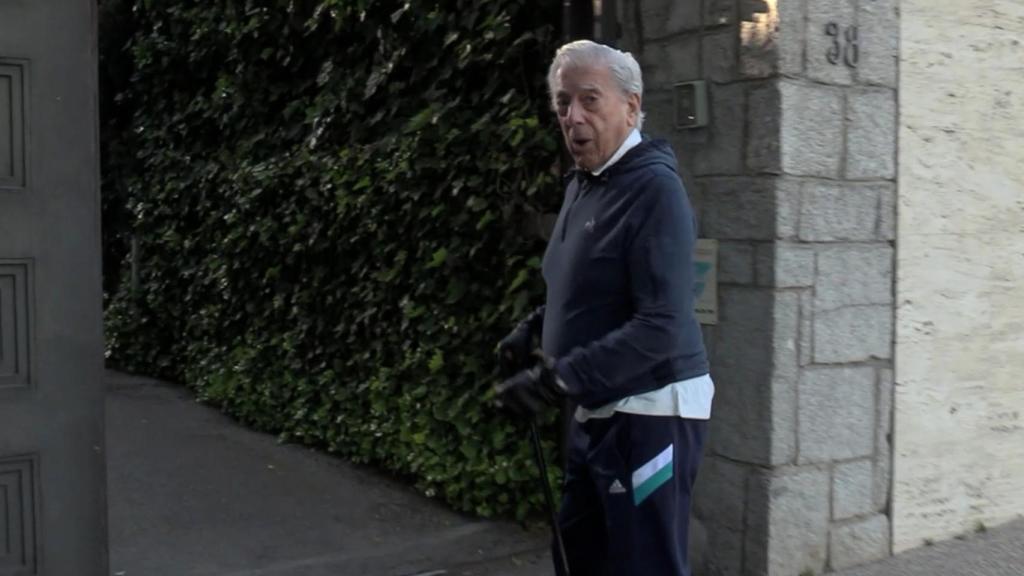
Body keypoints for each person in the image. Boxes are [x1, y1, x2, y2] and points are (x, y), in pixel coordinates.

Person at [495, 39, 714, 576]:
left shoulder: (655, 190)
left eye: (590, 100)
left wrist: (557, 380)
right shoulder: (584, 184)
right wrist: (534, 330)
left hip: (651, 414)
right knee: (577, 554)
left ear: (632, 106)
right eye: (563, 103)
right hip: (597, 410)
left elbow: (662, 324)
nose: (573, 117)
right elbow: (590, 291)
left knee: (642, 565)